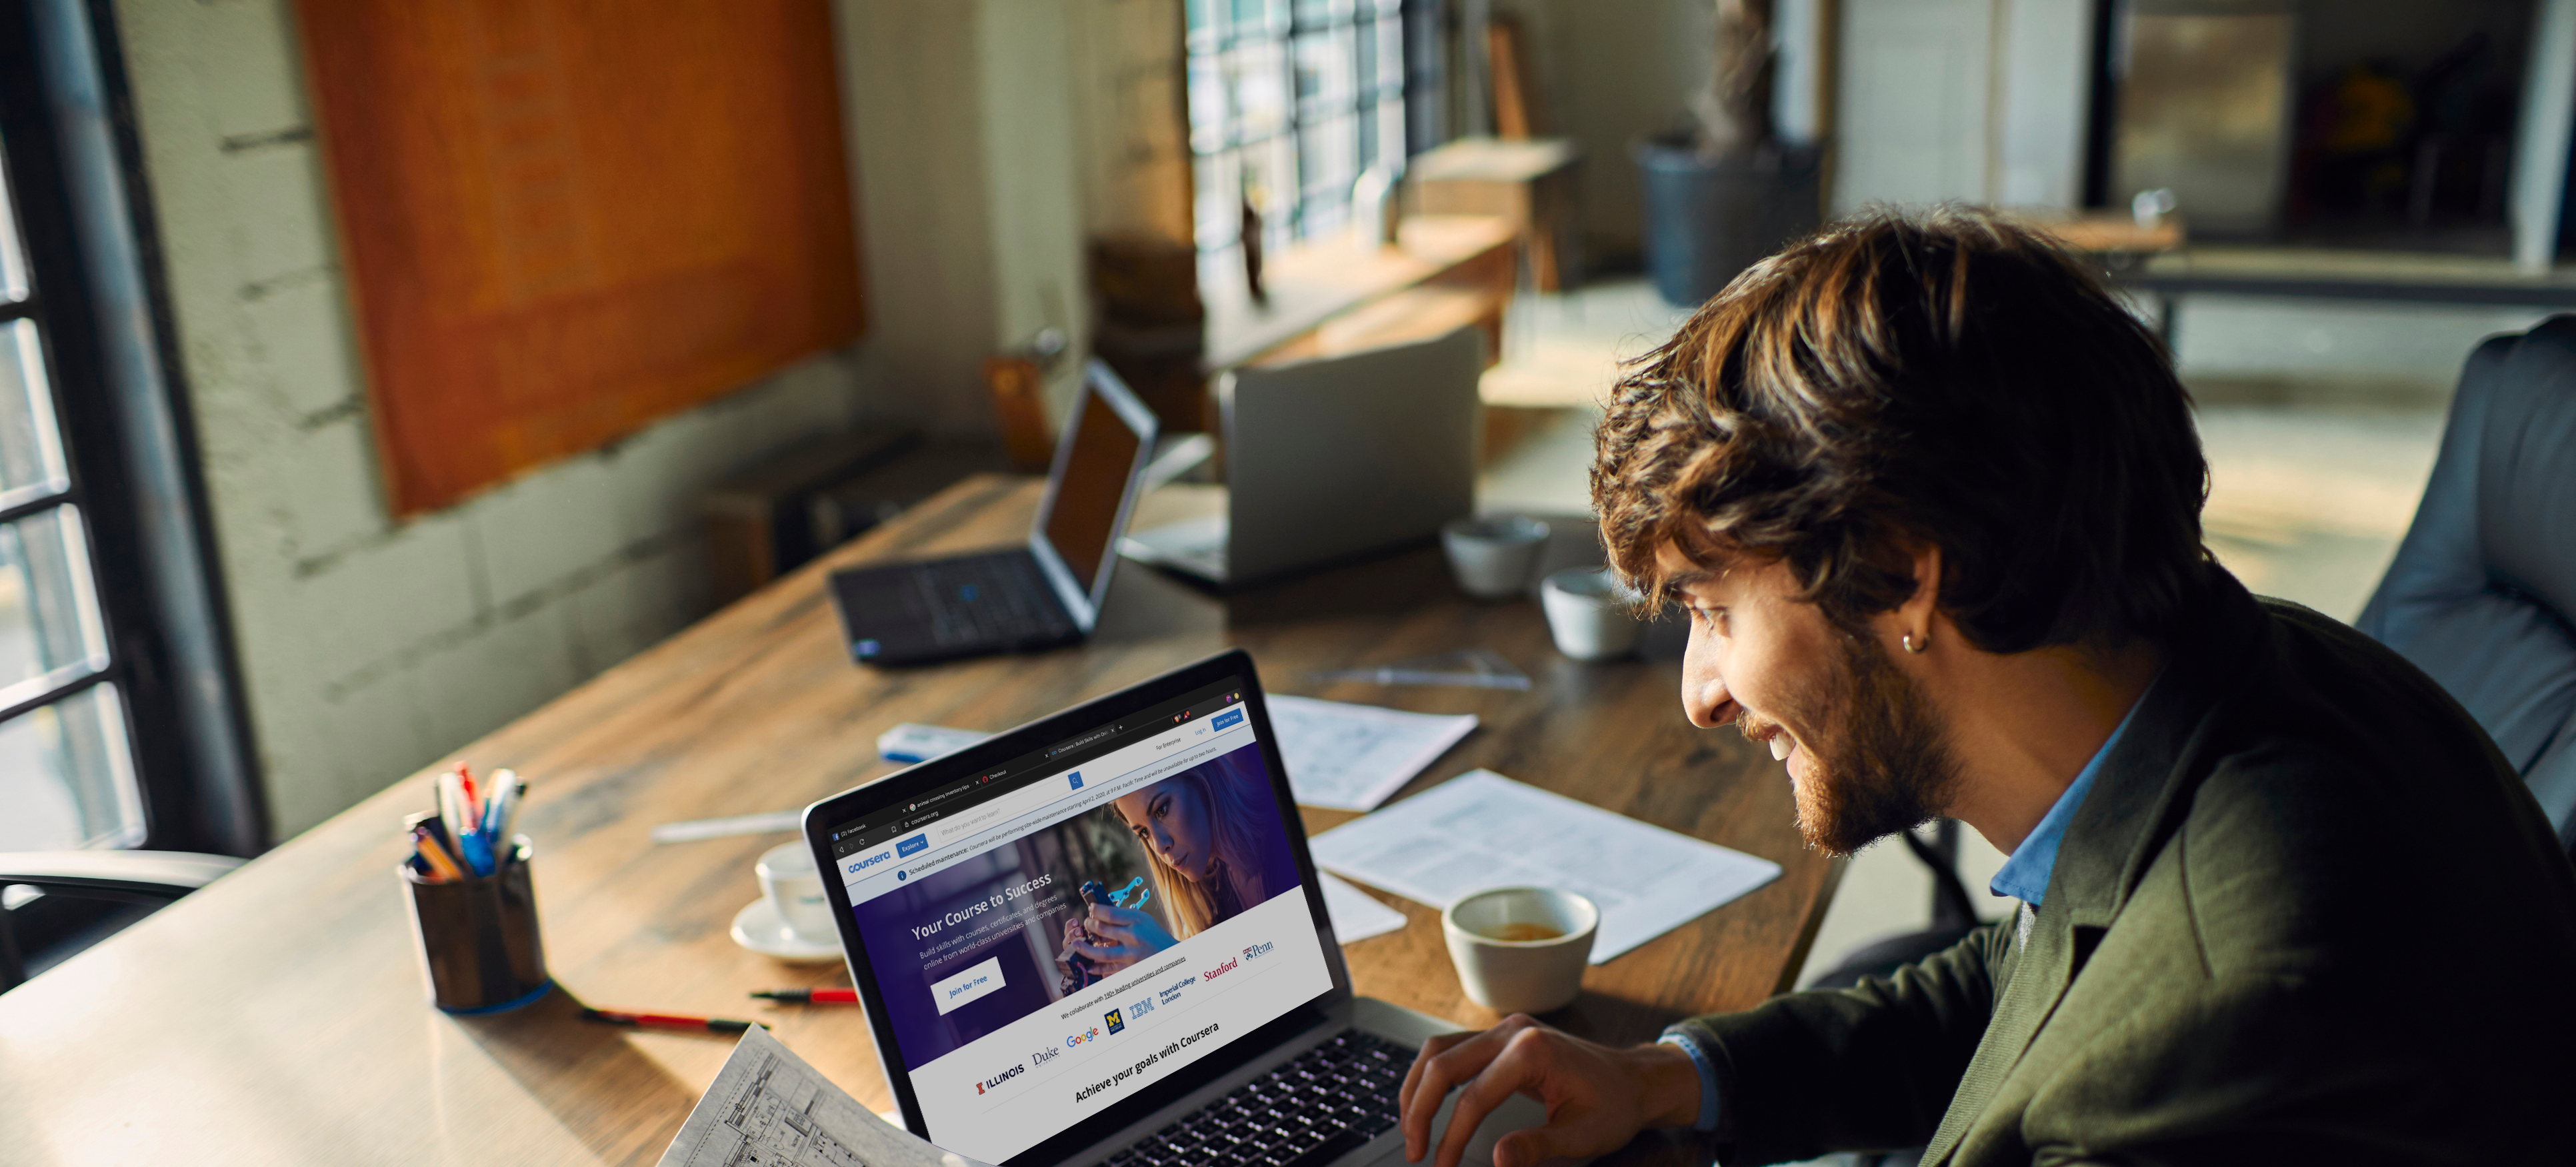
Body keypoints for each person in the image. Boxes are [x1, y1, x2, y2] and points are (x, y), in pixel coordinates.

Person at [1397, 207, 2576, 1166]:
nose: (1699, 693)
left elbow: (2121, 1033)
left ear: (1906, 573)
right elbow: (2032, 976)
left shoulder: (2228, 1031)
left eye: (1714, 611)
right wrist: (1666, 1078)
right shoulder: (2239, 679)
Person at [1060, 754, 1297, 975]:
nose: (1159, 846)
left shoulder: (1287, 847)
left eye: (1162, 810)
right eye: (1144, 833)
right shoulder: (1213, 896)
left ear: (1200, 780)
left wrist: (1172, 957)